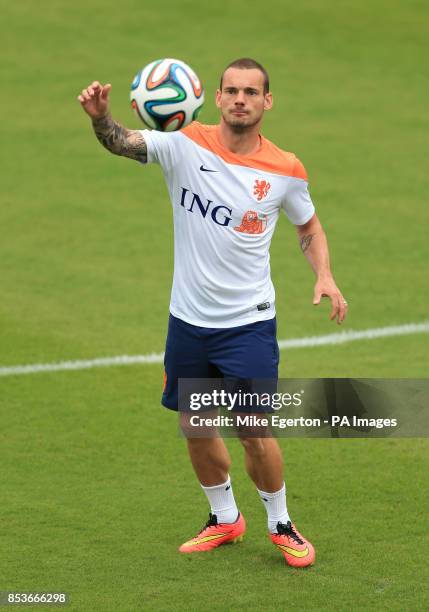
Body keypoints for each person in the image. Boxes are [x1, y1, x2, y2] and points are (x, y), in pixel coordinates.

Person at [78, 58, 348, 568]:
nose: (240, 99)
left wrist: (325, 274)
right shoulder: (183, 142)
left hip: (247, 323)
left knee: (253, 430)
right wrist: (99, 116)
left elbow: (308, 227)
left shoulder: (286, 169)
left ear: (267, 101)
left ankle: (281, 523)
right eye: (231, 91)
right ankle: (224, 519)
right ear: (215, 97)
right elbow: (120, 141)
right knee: (195, 425)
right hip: (188, 321)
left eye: (251, 92)